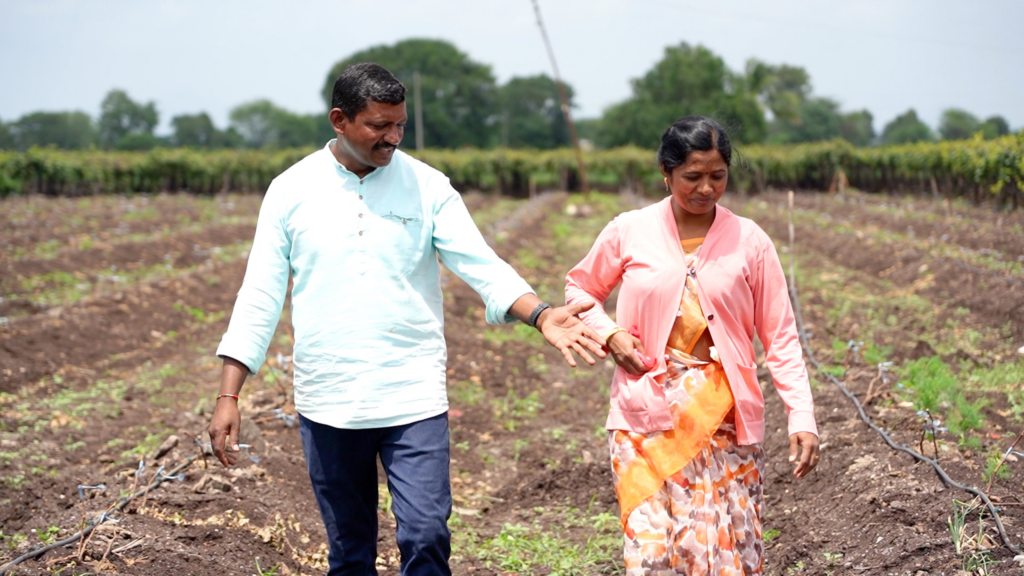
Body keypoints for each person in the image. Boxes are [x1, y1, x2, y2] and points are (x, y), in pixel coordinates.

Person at [208, 62, 605, 576]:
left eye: (400, 125)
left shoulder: (427, 185)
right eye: (379, 125)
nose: (392, 137)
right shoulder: (290, 190)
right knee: (350, 551)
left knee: (426, 533)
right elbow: (259, 294)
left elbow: (481, 264)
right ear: (339, 120)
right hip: (330, 397)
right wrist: (229, 394)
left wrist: (543, 314)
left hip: (410, 393)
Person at [565, 115, 819, 575]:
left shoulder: (751, 241)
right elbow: (579, 291)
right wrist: (610, 333)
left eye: (717, 176)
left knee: (721, 548)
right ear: (666, 173)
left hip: (725, 418)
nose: (706, 188)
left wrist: (802, 414)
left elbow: (780, 335)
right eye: (693, 177)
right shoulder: (629, 230)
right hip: (646, 416)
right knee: (651, 551)